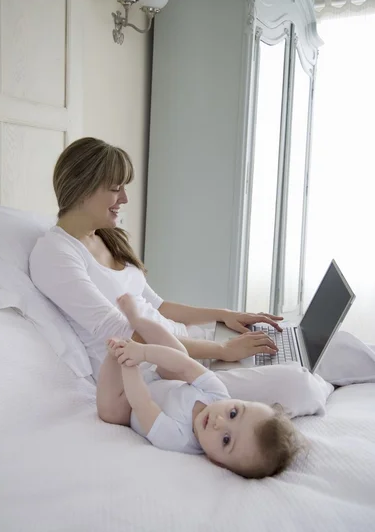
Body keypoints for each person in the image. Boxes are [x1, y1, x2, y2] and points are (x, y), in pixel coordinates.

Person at [29, 137, 330, 416]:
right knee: (298, 383)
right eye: (115, 187)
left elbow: (158, 306)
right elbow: (125, 334)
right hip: (157, 371)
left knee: (310, 341)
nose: (124, 198)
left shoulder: (106, 237)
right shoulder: (55, 254)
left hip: (186, 343)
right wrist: (223, 350)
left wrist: (227, 316)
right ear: (83, 188)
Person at [97, 293, 302, 479]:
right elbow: (185, 366)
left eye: (225, 440)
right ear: (238, 402)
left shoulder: (178, 439)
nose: (219, 422)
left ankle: (115, 352)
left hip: (131, 404)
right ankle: (138, 321)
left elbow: (143, 404)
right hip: (161, 380)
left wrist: (128, 361)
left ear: (216, 462)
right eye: (233, 413)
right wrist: (143, 353)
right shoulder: (218, 394)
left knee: (111, 412)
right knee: (179, 354)